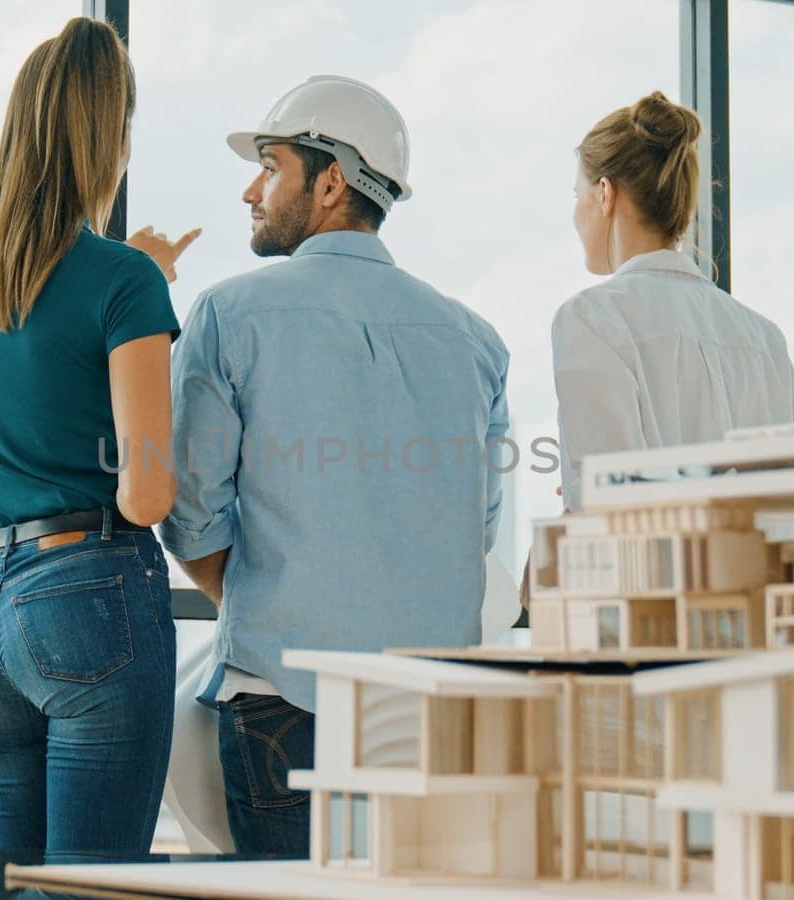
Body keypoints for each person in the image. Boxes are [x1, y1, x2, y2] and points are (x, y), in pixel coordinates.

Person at [159, 75, 511, 857]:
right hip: (433, 706)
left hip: (284, 700)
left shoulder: (228, 313)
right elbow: (475, 523)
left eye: (271, 165)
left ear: (329, 182)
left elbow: (187, 510)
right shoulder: (477, 340)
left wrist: (268, 597)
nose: (251, 189)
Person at [0, 18, 198, 861]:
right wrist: (143, 283)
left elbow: (33, 327)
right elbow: (146, 493)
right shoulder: (124, 281)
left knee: (23, 883)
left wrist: (130, 272)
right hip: (89, 602)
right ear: (108, 140)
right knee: (93, 886)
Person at [553, 90, 794, 510]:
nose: (575, 215)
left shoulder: (590, 319)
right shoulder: (765, 338)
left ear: (605, 194)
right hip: (756, 573)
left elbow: (605, 510)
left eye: (575, 195)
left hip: (647, 576)